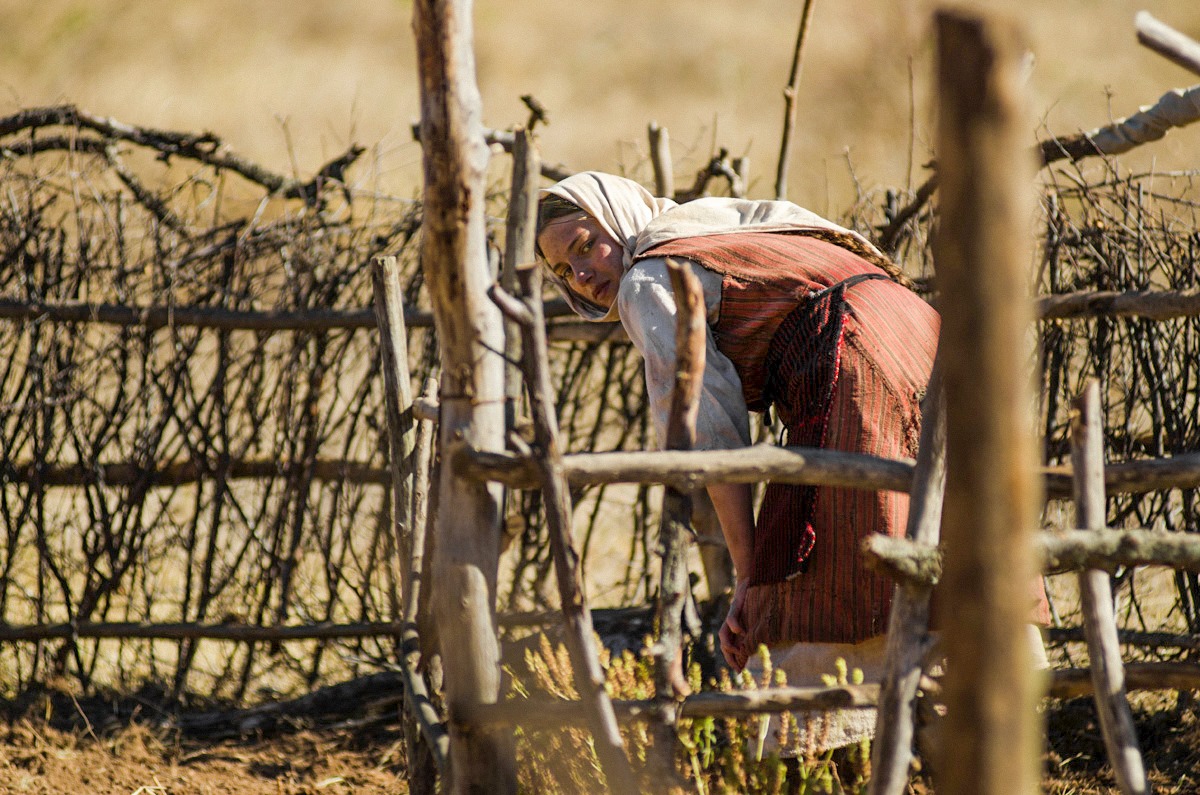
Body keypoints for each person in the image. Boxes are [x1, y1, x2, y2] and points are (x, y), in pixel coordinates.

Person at [534, 171, 1047, 683]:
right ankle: (991, 692)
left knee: (826, 547)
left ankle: (848, 736)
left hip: (853, 353)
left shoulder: (646, 278)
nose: (579, 274)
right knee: (945, 516)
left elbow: (707, 430)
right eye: (562, 269)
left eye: (586, 245)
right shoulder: (712, 227)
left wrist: (748, 576)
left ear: (617, 216)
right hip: (923, 334)